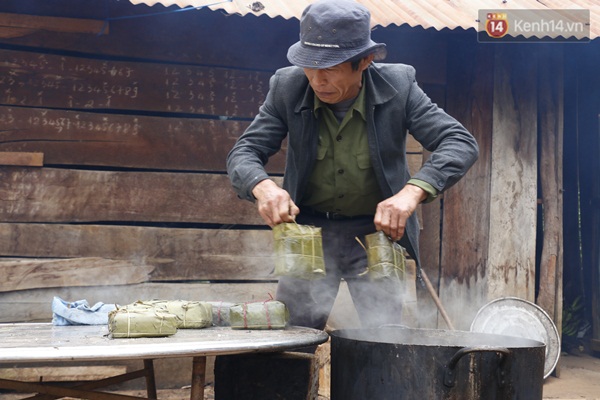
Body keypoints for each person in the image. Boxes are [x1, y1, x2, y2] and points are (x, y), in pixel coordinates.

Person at [227, 0, 479, 330]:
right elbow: (244, 152)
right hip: (310, 233)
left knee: (384, 342)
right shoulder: (287, 87)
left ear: (364, 62)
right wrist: (264, 187)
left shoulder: (399, 87)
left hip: (376, 235)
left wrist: (412, 192)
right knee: (291, 343)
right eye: (309, 66)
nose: (317, 80)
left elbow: (460, 142)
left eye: (329, 68)